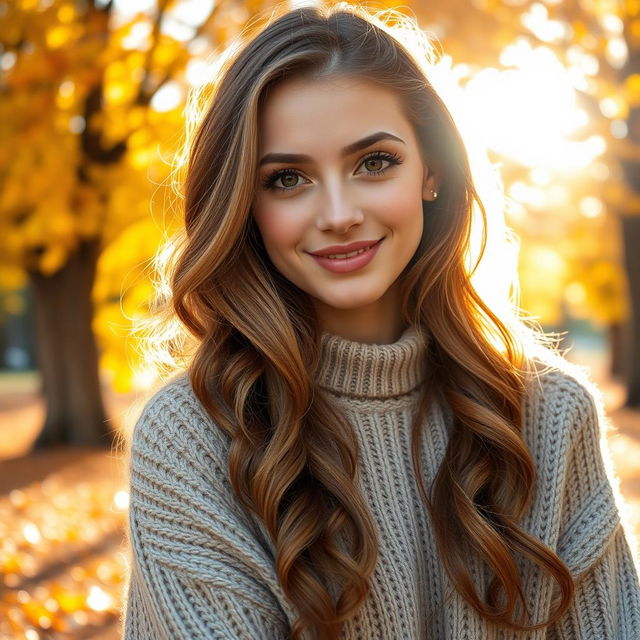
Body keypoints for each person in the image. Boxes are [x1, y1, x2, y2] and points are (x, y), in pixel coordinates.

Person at [120, 2, 640, 639]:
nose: (338, 213)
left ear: (433, 172)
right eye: (287, 178)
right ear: (244, 205)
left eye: (374, 163)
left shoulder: (550, 415)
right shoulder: (192, 438)